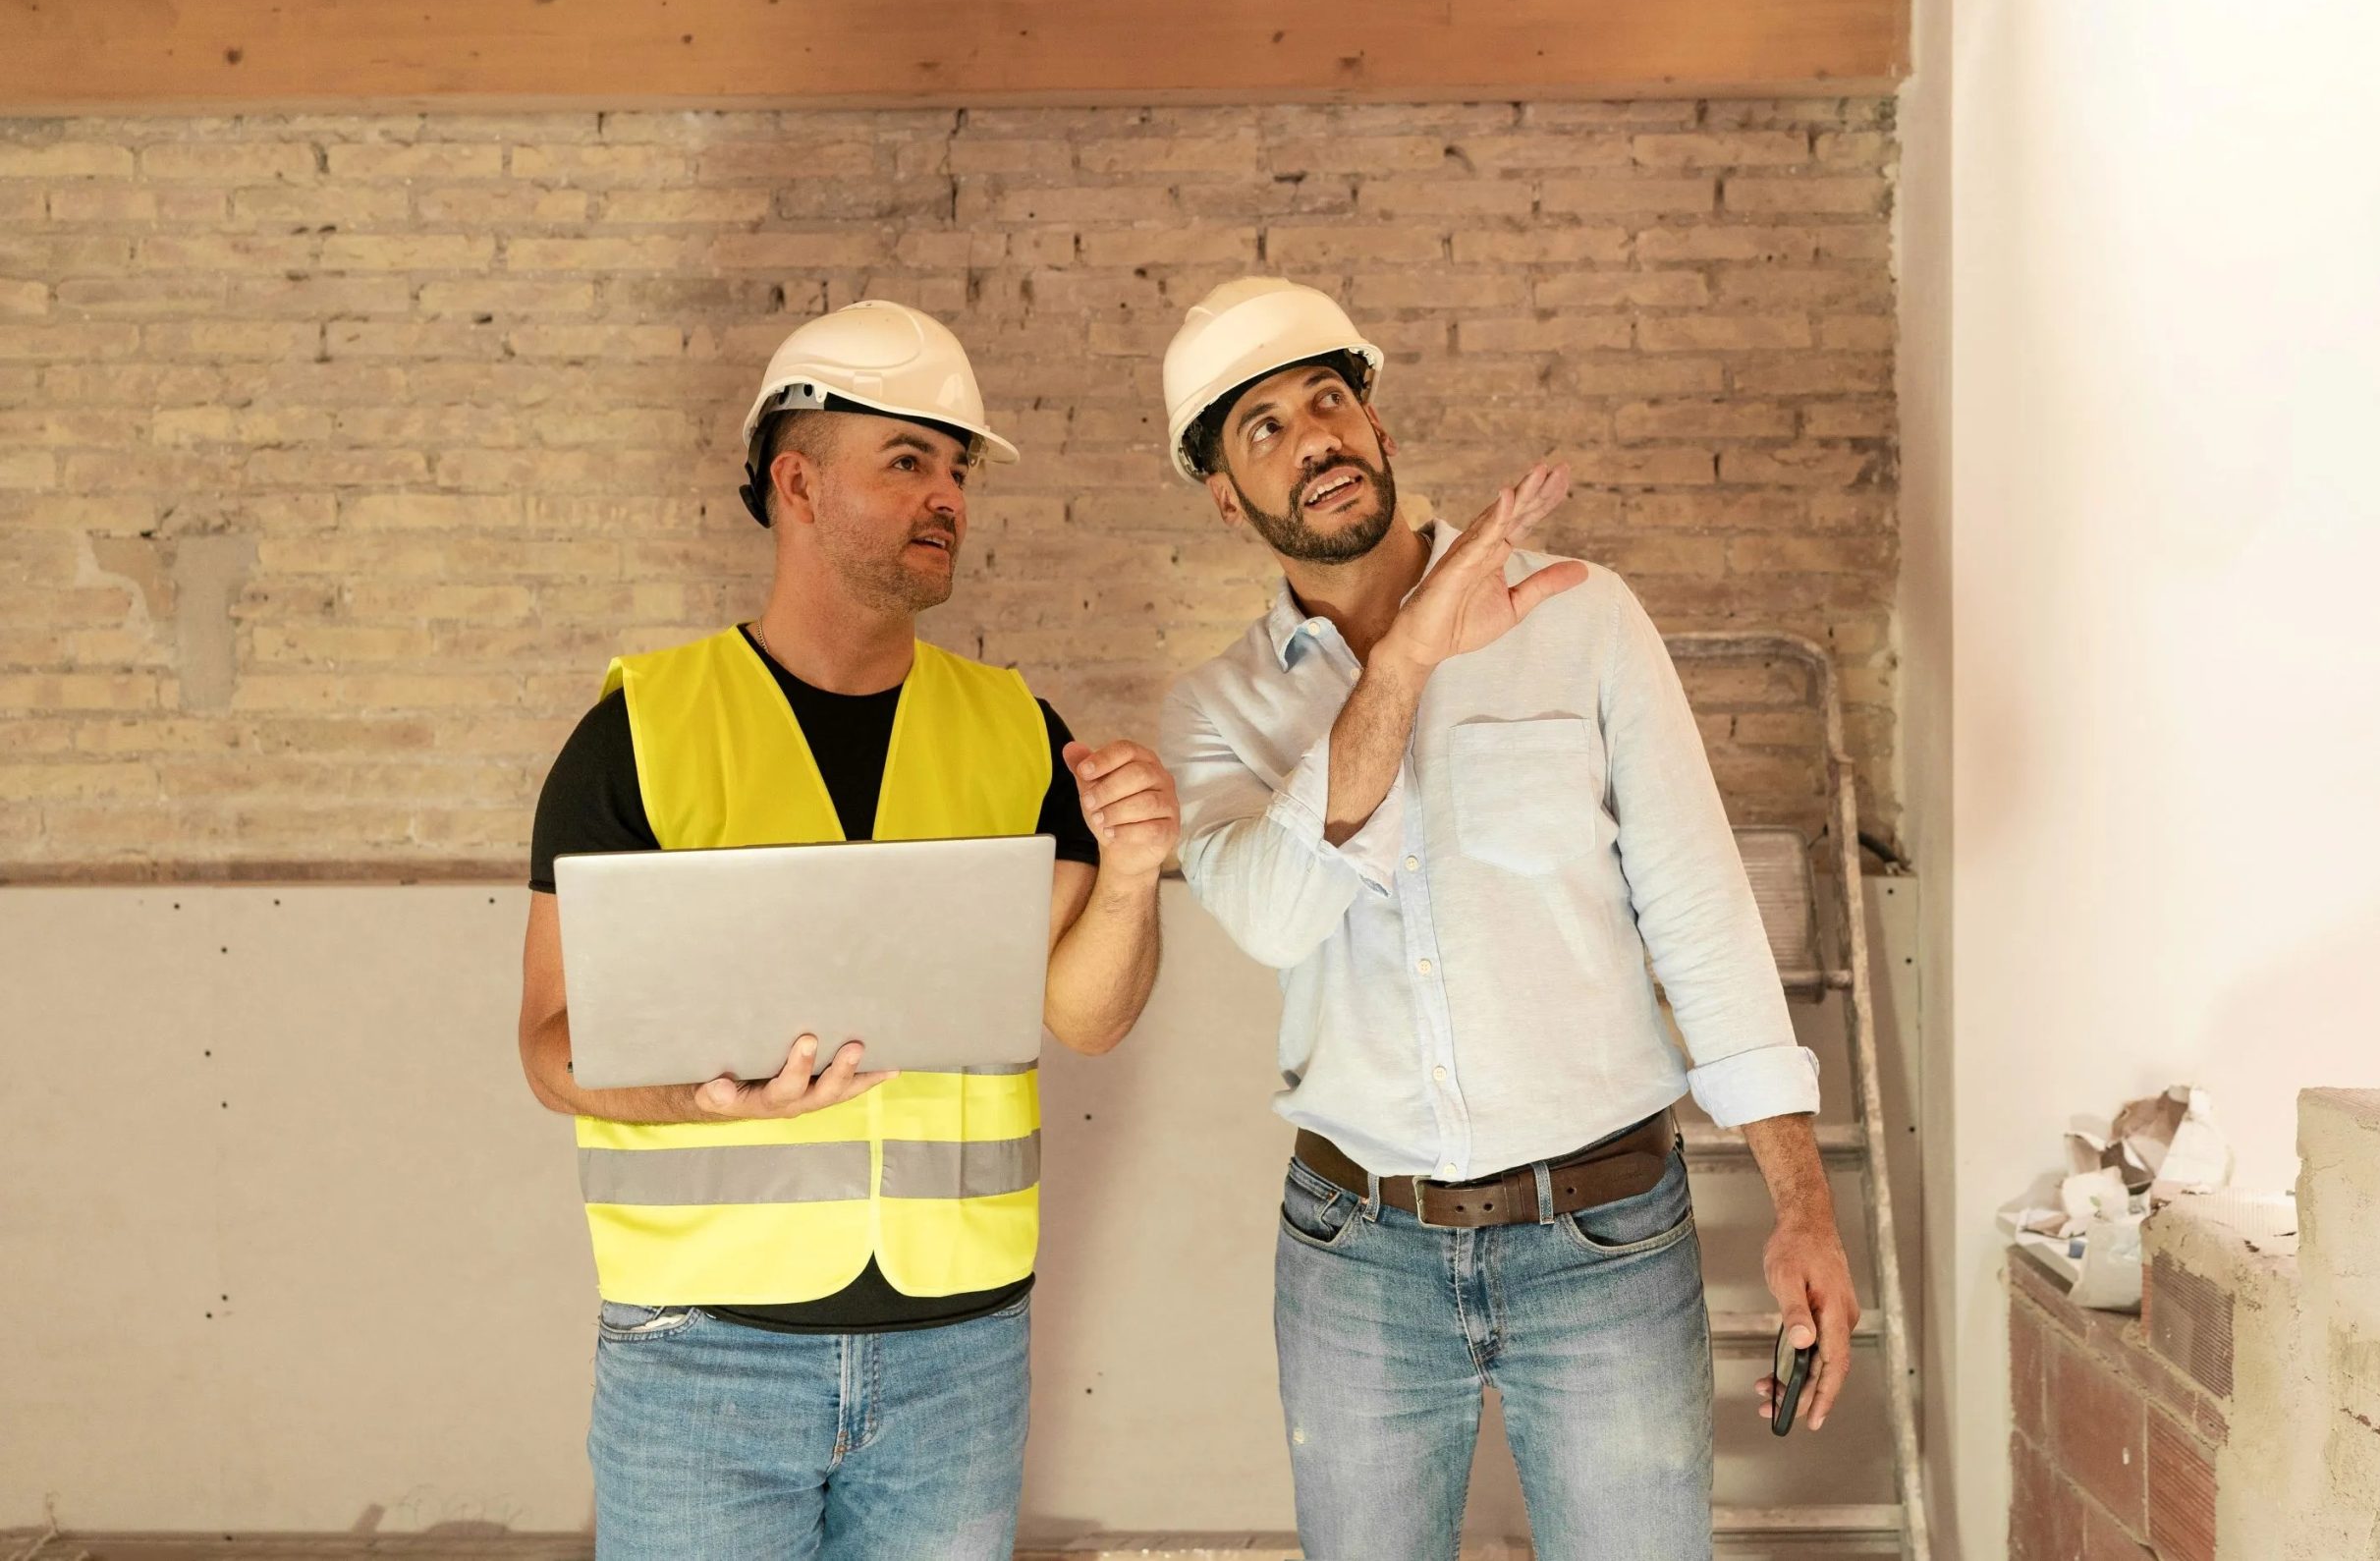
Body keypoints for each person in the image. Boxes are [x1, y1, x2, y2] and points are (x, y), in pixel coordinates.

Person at [1155, 278, 1858, 1561]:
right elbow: (1271, 911)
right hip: (1355, 1254)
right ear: (1222, 493)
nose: (1315, 435)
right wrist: (1413, 653)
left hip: (1609, 1240)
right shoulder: (1217, 714)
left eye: (1330, 398)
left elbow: (1702, 916)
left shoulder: (1584, 617)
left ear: (1375, 422)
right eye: (1263, 426)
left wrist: (1803, 1201)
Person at [517, 300, 1179, 1561]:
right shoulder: (641, 733)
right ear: (798, 482)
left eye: (958, 469)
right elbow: (548, 1051)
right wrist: (699, 1104)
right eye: (909, 461)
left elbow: (1087, 1014)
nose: (949, 497)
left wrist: (1136, 874)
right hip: (703, 1353)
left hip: (960, 1353)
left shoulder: (1013, 729)